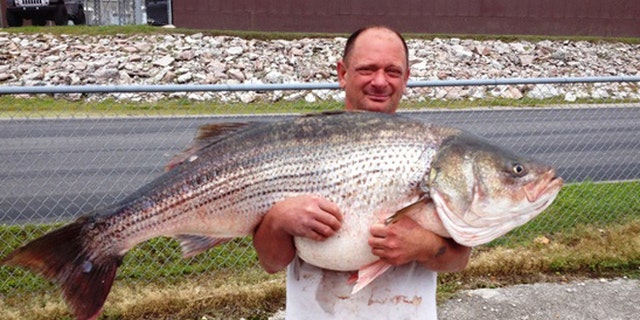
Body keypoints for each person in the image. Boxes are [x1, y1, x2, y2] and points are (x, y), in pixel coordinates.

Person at [252, 25, 472, 319]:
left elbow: (458, 260)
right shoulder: (299, 145)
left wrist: (424, 246)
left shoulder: (429, 152)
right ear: (343, 73)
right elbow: (271, 262)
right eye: (368, 69)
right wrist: (278, 220)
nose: (380, 81)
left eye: (392, 71)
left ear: (406, 78)